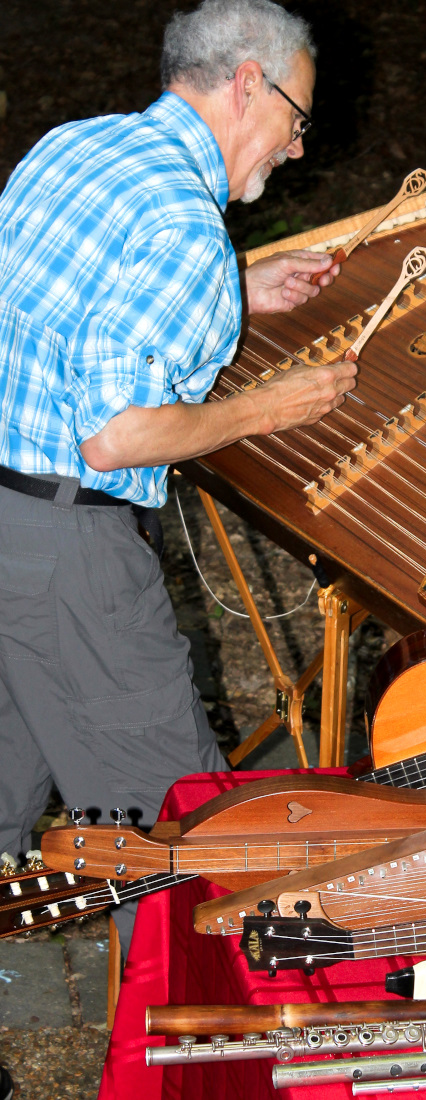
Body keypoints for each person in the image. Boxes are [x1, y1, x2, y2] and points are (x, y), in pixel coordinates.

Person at [0, 0, 357, 953]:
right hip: (66, 557)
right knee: (188, 841)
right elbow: (117, 437)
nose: (294, 149)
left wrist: (235, 289)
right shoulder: (183, 227)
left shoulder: (74, 146)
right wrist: (269, 406)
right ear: (250, 85)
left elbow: (67, 299)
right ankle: (193, 1053)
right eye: (298, 119)